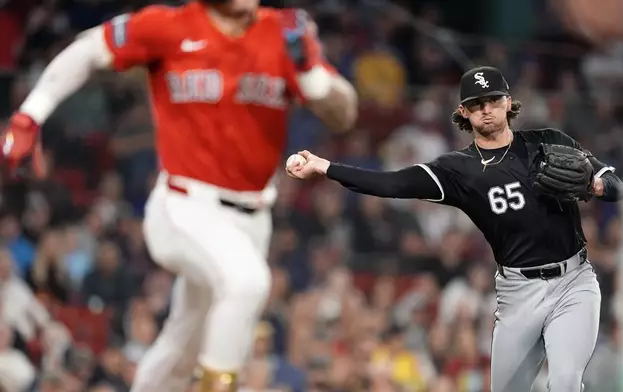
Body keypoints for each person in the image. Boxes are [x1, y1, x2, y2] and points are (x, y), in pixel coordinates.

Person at [1, 0, 357, 391]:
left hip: (254, 216)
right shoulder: (169, 26)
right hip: (184, 204)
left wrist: (312, 78)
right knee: (248, 282)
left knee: (182, 345)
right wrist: (29, 114)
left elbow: (344, 114)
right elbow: (87, 50)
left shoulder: (283, 32)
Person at [286, 66, 623, 392]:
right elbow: (390, 183)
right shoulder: (458, 171)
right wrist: (324, 167)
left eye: (493, 100)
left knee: (565, 381)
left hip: (573, 282)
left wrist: (595, 186)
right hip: (518, 293)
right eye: (477, 104)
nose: (487, 110)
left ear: (509, 102)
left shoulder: (548, 141)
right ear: (464, 112)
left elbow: (615, 186)